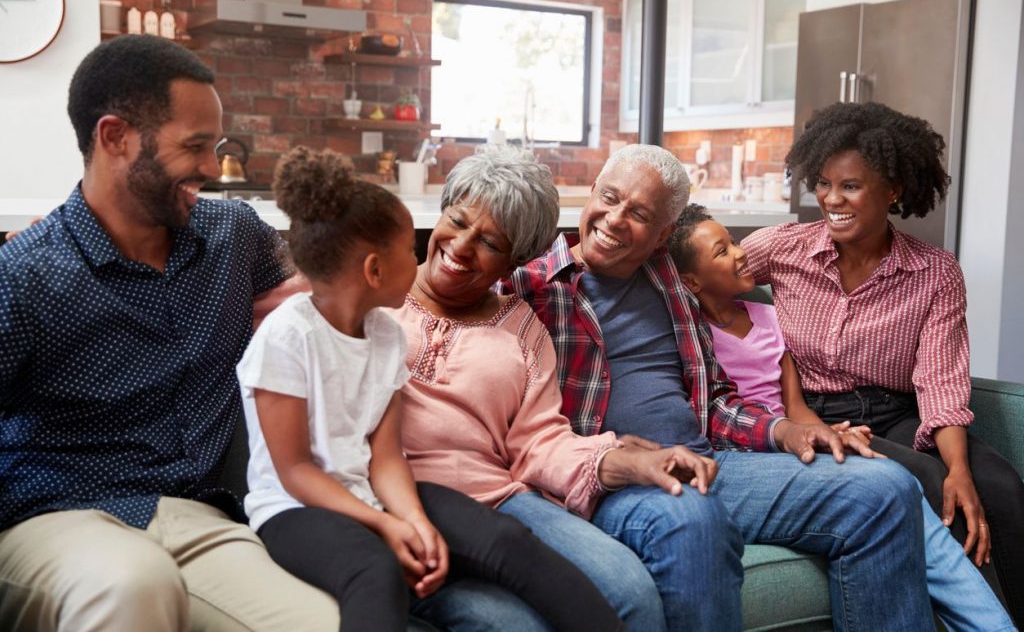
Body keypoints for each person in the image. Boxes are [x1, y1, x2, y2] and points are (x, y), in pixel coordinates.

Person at [502, 143, 935, 632]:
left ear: (664, 234)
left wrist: (784, 433)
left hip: (712, 462)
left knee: (886, 489)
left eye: (639, 213)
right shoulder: (531, 287)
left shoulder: (668, 277)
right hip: (618, 480)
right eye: (609, 196)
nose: (615, 219)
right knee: (692, 517)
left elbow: (713, 402)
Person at [0, 35, 337, 630]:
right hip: (57, 517)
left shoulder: (234, 234)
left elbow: (313, 300)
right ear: (114, 138)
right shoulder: (25, 274)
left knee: (333, 622)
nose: (212, 167)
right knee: (133, 584)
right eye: (195, 146)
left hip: (201, 518)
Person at [238, 146, 625, 632]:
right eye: (408, 250)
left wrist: (415, 521)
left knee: (510, 541)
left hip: (375, 491)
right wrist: (386, 524)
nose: (427, 257)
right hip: (295, 509)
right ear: (375, 271)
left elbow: (386, 457)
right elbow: (293, 470)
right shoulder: (287, 333)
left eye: (489, 240)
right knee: (375, 569)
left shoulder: (383, 335)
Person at [389, 146, 719, 632]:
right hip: (390, 493)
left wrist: (625, 461)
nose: (461, 246)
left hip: (498, 500)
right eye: (457, 222)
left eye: (490, 243)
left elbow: (540, 443)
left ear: (515, 263)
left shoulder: (523, 328)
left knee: (629, 590)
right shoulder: (375, 293)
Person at [669, 203, 1015, 632]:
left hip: (808, 432)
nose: (741, 253)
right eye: (722, 250)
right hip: (754, 450)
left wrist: (827, 433)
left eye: (734, 242)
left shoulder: (770, 318)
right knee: (903, 482)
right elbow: (712, 414)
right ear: (691, 281)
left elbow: (795, 407)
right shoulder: (691, 333)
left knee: (935, 486)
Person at [741, 102, 1024, 626]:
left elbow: (940, 381)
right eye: (823, 184)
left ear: (892, 190)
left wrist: (961, 468)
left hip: (895, 411)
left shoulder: (933, 272)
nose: (830, 199)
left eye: (849, 186)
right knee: (935, 487)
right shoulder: (782, 248)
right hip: (812, 414)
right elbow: (703, 273)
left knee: (999, 485)